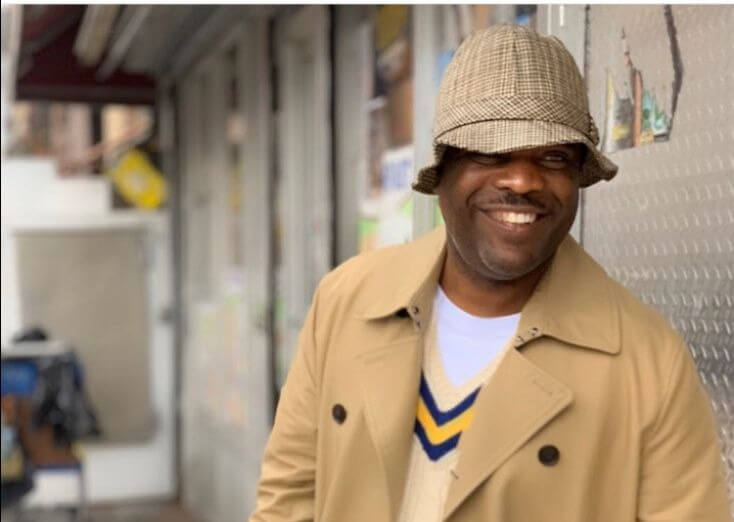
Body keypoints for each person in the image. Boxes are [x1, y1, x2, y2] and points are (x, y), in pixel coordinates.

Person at [249, 25, 730, 522]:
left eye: (553, 157)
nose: (522, 180)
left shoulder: (648, 361)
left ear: (577, 177)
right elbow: (286, 500)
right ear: (443, 171)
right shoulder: (347, 301)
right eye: (490, 152)